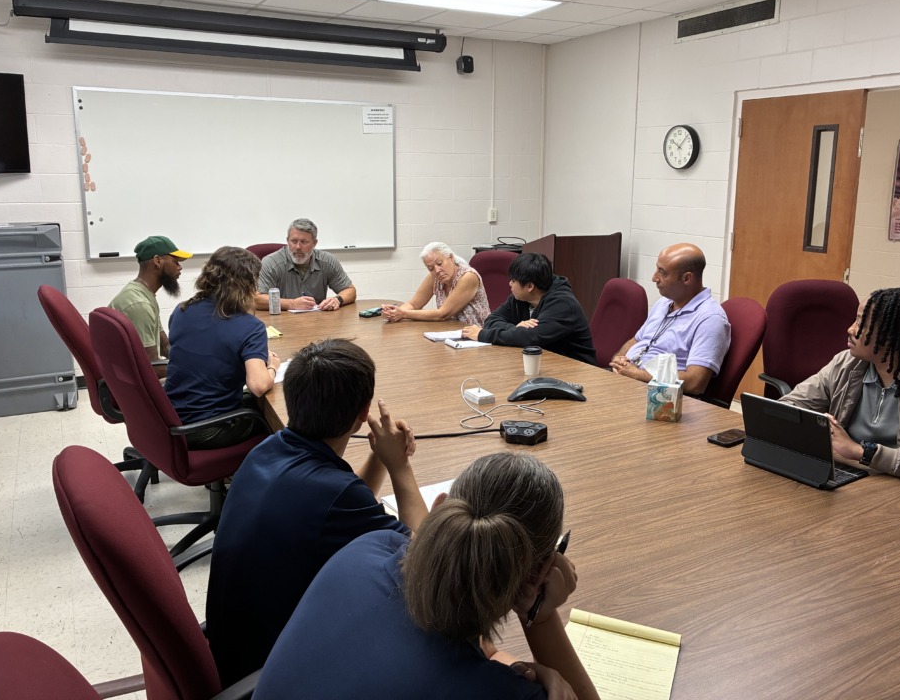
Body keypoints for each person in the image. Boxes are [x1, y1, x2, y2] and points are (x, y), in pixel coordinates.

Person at [255, 452, 600, 700]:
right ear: (539, 574)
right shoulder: (503, 693)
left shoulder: (372, 547)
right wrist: (539, 618)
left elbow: (460, 633)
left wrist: (500, 663)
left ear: (438, 510)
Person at [206, 338, 427, 687]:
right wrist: (399, 467)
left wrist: (382, 457)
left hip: (236, 650)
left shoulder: (269, 448)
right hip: (272, 674)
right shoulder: (336, 495)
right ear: (362, 413)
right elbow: (432, 558)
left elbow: (342, 507)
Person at [782, 287, 900, 486]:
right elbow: (789, 405)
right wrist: (813, 425)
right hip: (850, 476)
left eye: (861, 322)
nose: (850, 329)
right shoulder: (846, 363)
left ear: (892, 335)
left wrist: (863, 452)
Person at [164, 246, 279, 450]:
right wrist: (273, 367)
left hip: (171, 419)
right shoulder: (250, 327)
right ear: (248, 284)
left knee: (250, 400)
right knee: (275, 416)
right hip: (208, 429)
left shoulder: (182, 310)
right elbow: (259, 386)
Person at [609, 243, 730, 396]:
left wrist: (637, 374)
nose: (654, 278)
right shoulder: (664, 303)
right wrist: (619, 359)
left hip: (659, 396)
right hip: (626, 382)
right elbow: (637, 340)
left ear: (687, 278)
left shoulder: (710, 319)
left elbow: (695, 383)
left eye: (662, 272)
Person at [463, 252, 596, 365]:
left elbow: (530, 338)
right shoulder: (519, 298)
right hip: (544, 363)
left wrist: (482, 335)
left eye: (513, 281)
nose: (509, 284)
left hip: (575, 369)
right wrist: (515, 329)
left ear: (529, 286)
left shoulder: (563, 304)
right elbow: (491, 320)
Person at [108, 235, 191, 377]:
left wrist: (189, 360)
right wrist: (194, 371)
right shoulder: (139, 305)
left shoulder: (144, 295)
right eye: (175, 262)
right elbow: (153, 369)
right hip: (139, 388)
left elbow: (164, 345)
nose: (180, 267)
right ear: (157, 261)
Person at [255, 218, 356, 311]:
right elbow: (256, 299)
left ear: (315, 243)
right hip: (281, 321)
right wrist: (291, 304)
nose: (298, 247)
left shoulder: (327, 261)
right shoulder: (271, 263)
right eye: (294, 241)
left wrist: (337, 300)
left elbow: (350, 291)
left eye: (304, 242)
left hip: (317, 321)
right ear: (287, 241)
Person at [381, 241, 491, 326]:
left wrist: (403, 314)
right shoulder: (434, 278)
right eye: (431, 268)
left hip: (476, 336)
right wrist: (393, 313)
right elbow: (414, 304)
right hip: (449, 333)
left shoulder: (468, 277)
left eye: (440, 263)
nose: (437, 270)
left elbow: (443, 314)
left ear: (451, 258)